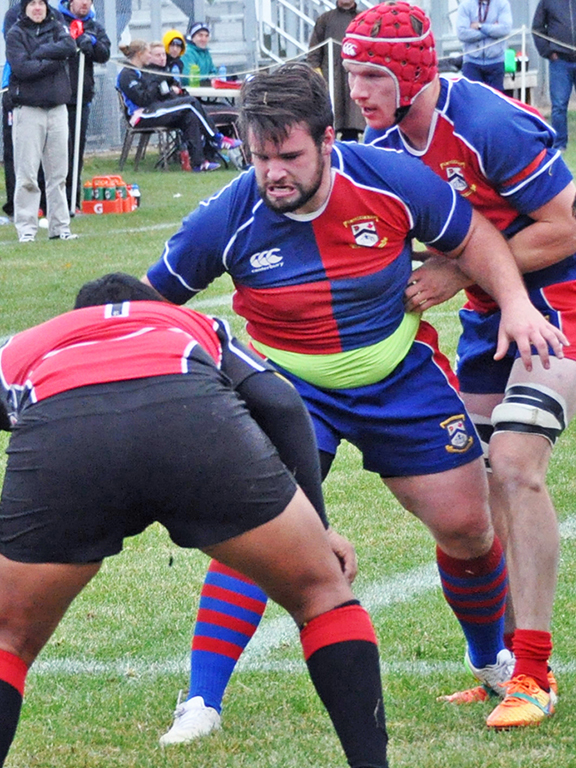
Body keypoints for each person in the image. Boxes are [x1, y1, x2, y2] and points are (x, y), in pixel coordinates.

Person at [144, 62, 567, 744]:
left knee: (467, 526)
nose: (273, 173)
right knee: (260, 529)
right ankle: (200, 701)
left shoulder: (389, 179)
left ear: (326, 142)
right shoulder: (228, 214)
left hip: (398, 376)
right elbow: (150, 302)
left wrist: (516, 304)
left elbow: (476, 239)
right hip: (290, 389)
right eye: (259, 157)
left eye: (289, 156)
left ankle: (490, 657)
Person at [0, 272, 388, 768]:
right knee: (321, 594)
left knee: (8, 640)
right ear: (153, 306)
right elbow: (280, 401)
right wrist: (319, 526)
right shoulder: (191, 323)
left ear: (76, 318)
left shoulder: (25, 344)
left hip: (70, 443)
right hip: (192, 422)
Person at [342, 0, 576, 729]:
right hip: (485, 317)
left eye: (373, 75)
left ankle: (535, 671)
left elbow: (567, 224)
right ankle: (504, 663)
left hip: (560, 303)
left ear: (413, 73)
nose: (357, 91)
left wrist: (456, 268)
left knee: (515, 464)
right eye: (352, 74)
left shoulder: (486, 123)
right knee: (473, 489)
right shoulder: (382, 140)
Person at [5, 0, 78, 242]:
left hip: (57, 109)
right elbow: (23, 68)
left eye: (41, 3)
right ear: (24, 8)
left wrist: (39, 53)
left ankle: (60, 228)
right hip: (28, 110)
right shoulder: (15, 33)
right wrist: (53, 61)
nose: (37, 8)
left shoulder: (57, 26)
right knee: (26, 174)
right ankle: (27, 230)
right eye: (32, 3)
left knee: (58, 174)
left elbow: (69, 46)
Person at [117, 39, 222, 172]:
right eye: (149, 53)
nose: (150, 56)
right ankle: (215, 137)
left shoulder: (141, 71)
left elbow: (156, 92)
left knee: (190, 115)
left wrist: (168, 85)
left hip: (153, 109)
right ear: (139, 54)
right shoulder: (127, 74)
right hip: (141, 115)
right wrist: (157, 81)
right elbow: (143, 100)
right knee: (190, 102)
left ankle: (199, 162)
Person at [58, 0, 110, 213]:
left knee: (75, 151)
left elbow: (104, 54)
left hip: (80, 98)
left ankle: (73, 201)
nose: (85, 3)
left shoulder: (94, 26)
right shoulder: (57, 22)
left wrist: (93, 44)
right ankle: (47, 201)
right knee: (54, 151)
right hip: (55, 97)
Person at [307, 0, 364, 141]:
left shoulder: (364, 18)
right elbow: (314, 53)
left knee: (353, 123)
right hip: (331, 78)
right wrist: (318, 76)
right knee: (330, 119)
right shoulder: (325, 19)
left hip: (357, 77)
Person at [532, 0, 576, 152]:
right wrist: (549, 52)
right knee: (559, 106)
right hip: (560, 61)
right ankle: (559, 144)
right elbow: (537, 28)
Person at [456, 0, 512, 92]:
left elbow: (505, 29)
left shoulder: (502, 3)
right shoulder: (465, 5)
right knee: (472, 98)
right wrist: (491, 31)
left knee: (494, 99)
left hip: (496, 63)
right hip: (471, 63)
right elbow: (462, 33)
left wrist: (480, 27)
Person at [181, 21, 216, 86]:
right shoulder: (187, 53)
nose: (204, 39)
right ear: (193, 37)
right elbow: (188, 78)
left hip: (204, 89)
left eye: (206, 36)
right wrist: (207, 81)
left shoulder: (206, 53)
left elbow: (213, 71)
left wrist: (212, 78)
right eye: (200, 35)